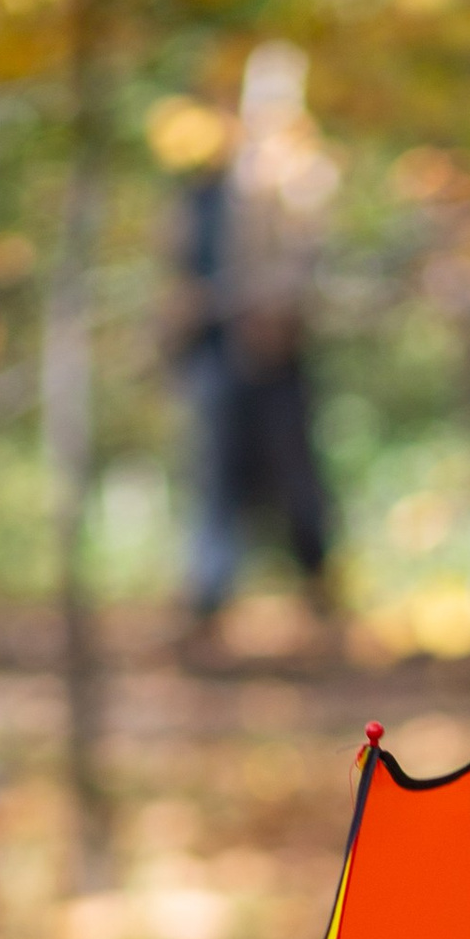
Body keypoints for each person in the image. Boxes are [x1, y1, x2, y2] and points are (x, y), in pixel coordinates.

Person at [170, 44, 338, 633]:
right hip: (220, 347)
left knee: (296, 472)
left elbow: (308, 262)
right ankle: (209, 600)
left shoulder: (309, 178)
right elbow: (186, 266)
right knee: (219, 471)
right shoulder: (211, 185)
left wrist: (278, 315)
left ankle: (320, 590)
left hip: (282, 347)